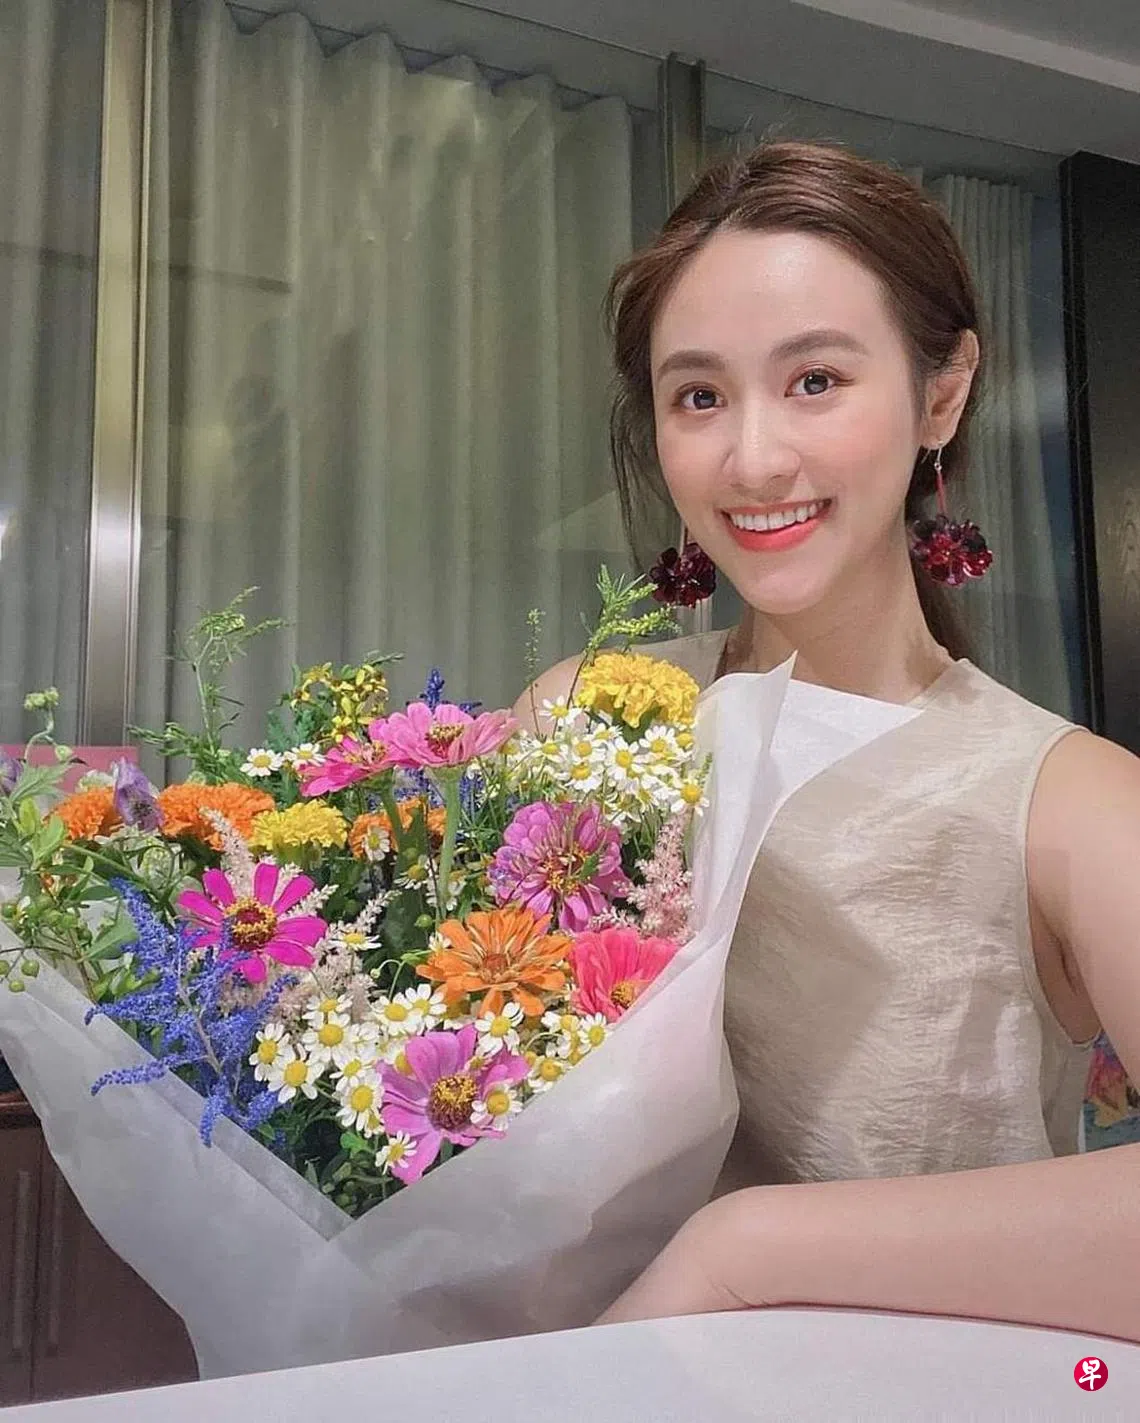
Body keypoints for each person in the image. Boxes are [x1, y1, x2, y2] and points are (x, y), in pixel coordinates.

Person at [514, 141, 1140, 1343]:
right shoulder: (585, 719)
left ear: (941, 396)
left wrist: (748, 1251)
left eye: (815, 380)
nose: (754, 459)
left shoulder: (1067, 801)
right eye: (700, 396)